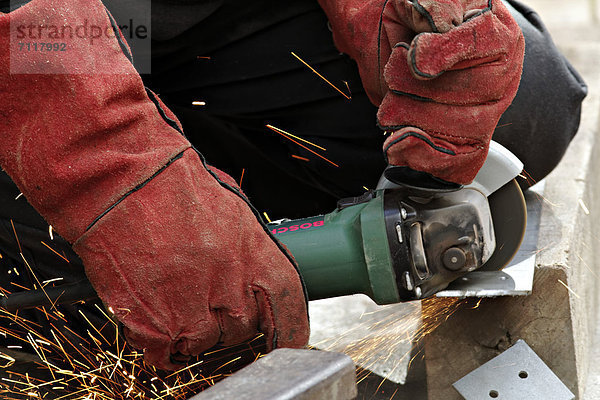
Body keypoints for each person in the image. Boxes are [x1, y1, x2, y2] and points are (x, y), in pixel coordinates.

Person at [0, 0, 587, 372]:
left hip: (165, 18)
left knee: (519, 104)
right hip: (35, 42)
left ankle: (198, 178)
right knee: (86, 319)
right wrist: (110, 169)